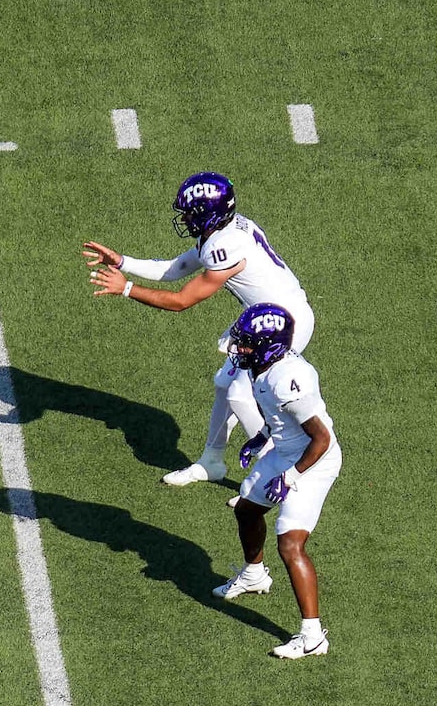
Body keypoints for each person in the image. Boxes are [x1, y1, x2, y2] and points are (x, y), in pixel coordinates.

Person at [81, 172, 315, 486]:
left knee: (241, 396)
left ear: (210, 213)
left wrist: (127, 289)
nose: (187, 219)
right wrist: (123, 262)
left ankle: (279, 472)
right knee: (224, 384)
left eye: (192, 213)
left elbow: (180, 301)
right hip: (264, 319)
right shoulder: (223, 232)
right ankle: (212, 462)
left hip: (284, 324)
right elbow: (173, 268)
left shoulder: (226, 246)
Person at [209, 304, 340, 659]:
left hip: (313, 460)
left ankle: (312, 636)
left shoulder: (288, 380)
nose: (240, 349)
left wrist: (292, 477)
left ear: (268, 346)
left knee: (290, 543)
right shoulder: (264, 367)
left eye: (248, 344)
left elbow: (322, 439)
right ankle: (254, 576)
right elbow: (278, 415)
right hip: (286, 449)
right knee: (247, 509)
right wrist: (262, 435)